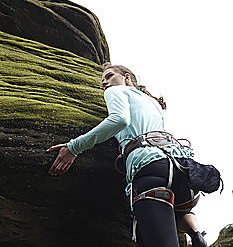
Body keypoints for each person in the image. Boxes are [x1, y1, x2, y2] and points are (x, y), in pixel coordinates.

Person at [47, 63, 207, 247]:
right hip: (182, 172)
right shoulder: (152, 102)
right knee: (172, 213)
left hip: (149, 169)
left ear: (127, 78)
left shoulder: (116, 91)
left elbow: (119, 119)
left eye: (109, 76)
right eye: (102, 81)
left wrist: (74, 147)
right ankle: (196, 233)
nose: (105, 83)